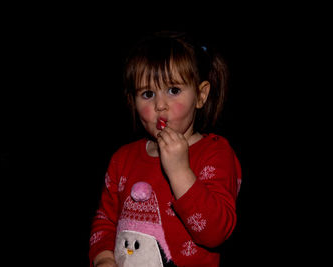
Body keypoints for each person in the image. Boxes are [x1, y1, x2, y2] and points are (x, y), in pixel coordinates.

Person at [89, 31, 242, 267]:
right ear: (132, 101)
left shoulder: (215, 153)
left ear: (200, 96)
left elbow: (215, 233)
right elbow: (105, 220)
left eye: (173, 90)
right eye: (147, 94)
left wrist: (180, 172)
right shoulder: (123, 159)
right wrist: (103, 258)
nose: (160, 105)